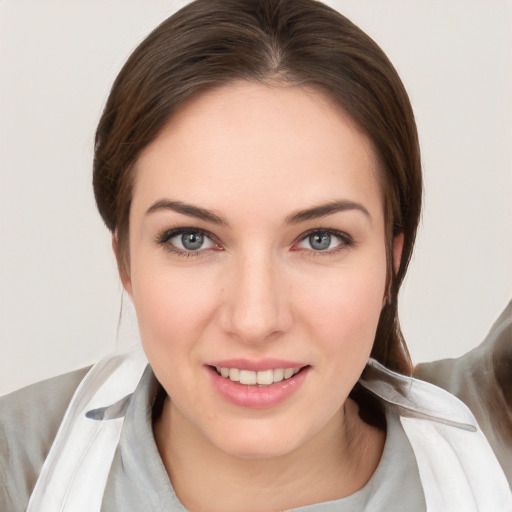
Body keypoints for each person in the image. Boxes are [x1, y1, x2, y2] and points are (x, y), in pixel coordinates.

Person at [1, 0, 511, 510]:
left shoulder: (495, 437)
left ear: (390, 263)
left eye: (320, 239)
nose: (254, 319)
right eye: (191, 239)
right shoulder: (16, 467)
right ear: (125, 263)